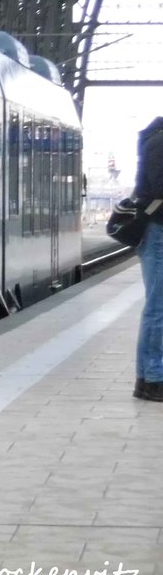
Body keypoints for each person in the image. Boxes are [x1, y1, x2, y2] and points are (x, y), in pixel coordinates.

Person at [133, 116, 163, 402]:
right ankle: (154, 379)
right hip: (158, 232)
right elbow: (159, 188)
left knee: (157, 307)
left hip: (157, 230)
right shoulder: (160, 141)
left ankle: (147, 379)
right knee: (158, 308)